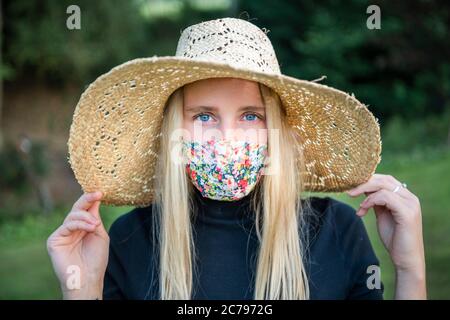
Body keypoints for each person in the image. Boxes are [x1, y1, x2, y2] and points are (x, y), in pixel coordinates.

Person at [47, 18, 426, 300]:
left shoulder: (335, 231)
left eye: (250, 116)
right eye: (204, 117)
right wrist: (82, 288)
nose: (227, 137)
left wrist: (410, 270)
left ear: (274, 129)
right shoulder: (131, 240)